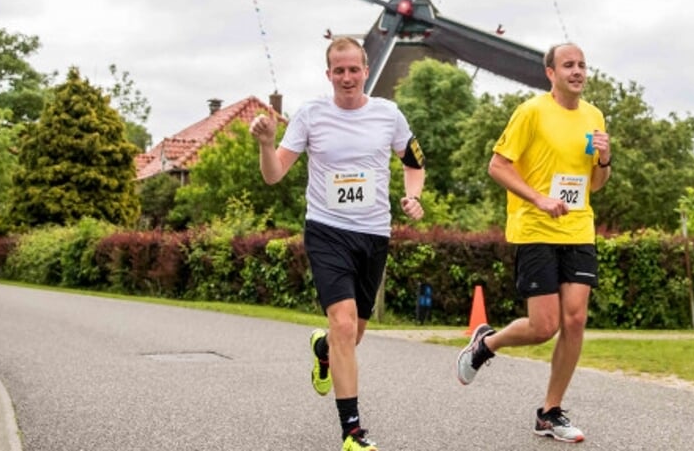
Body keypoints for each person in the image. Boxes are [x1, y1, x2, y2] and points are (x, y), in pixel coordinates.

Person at [251, 36, 426, 451]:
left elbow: (414, 160)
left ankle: (324, 349)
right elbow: (274, 174)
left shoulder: (389, 114)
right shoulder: (311, 114)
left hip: (373, 234)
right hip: (327, 230)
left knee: (353, 333)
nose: (346, 77)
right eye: (338, 70)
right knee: (344, 324)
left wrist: (413, 195)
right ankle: (353, 433)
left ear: (366, 71)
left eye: (353, 69)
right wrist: (264, 144)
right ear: (328, 74)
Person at [455, 42, 611, 444]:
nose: (577, 71)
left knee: (575, 319)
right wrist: (539, 198)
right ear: (550, 73)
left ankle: (550, 412)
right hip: (536, 228)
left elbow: (595, 184)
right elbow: (497, 165)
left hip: (578, 229)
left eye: (582, 64)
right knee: (544, 326)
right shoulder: (532, 112)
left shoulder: (594, 116)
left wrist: (606, 162)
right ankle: (486, 344)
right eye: (568, 65)